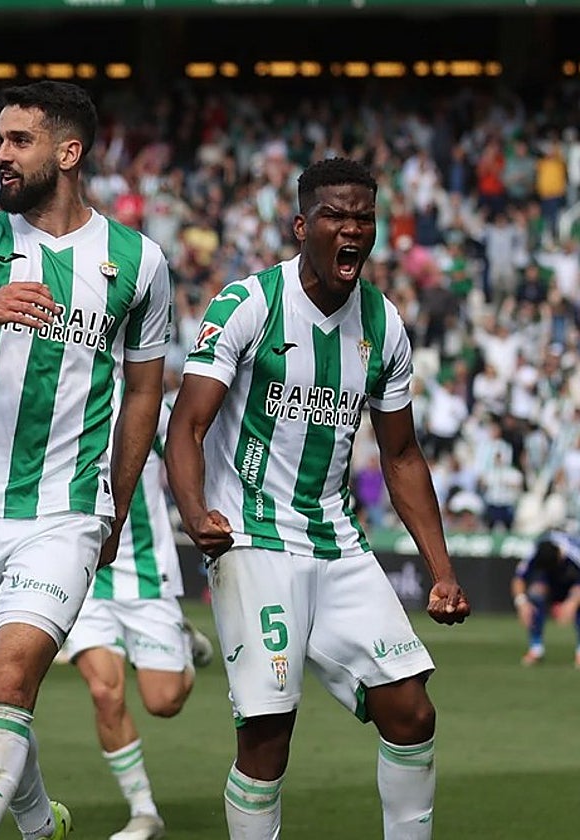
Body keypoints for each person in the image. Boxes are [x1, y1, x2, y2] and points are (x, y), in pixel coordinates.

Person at [0, 81, 171, 840]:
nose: (0, 154)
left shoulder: (138, 262)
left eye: (18, 140)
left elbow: (145, 391)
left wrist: (114, 499)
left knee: (12, 685)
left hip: (66, 508)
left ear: (68, 152)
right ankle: (39, 824)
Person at [166, 158, 470, 840]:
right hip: (250, 536)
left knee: (412, 712)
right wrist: (196, 514)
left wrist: (441, 570)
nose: (353, 228)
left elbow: (401, 455)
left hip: (335, 538)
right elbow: (184, 427)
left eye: (364, 216)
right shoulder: (248, 304)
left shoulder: (384, 325)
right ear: (304, 225)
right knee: (269, 737)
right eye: (337, 214)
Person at [59, 390, 212, 840]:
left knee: (163, 701)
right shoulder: (62, 394)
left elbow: (188, 455)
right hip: (83, 573)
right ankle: (144, 812)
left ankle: (182, 641)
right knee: (105, 693)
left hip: (145, 572)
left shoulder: (148, 406)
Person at [512, 531, 580, 667]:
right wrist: (521, 603)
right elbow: (518, 578)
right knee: (535, 595)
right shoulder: (535, 551)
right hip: (549, 581)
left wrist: (572, 602)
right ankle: (536, 649)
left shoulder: (575, 552)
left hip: (574, 581)